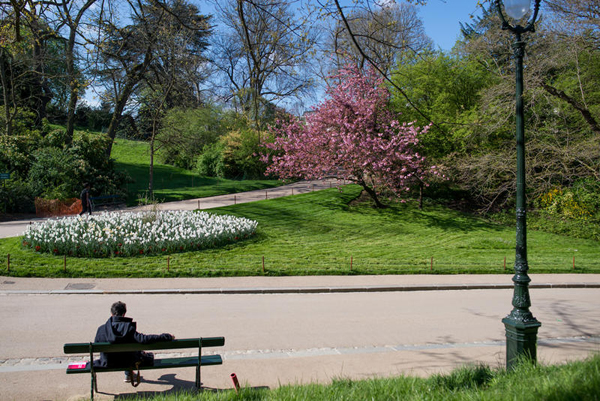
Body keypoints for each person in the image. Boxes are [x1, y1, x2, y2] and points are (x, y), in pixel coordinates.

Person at [93, 301, 175, 382]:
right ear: (124, 314)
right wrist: (166, 336)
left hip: (108, 363)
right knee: (136, 354)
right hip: (128, 362)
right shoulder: (128, 328)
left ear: (111, 313)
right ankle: (128, 373)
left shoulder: (101, 329)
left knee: (126, 352)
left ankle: (129, 374)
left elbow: (97, 346)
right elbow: (144, 339)